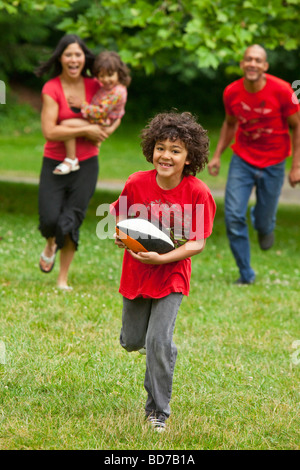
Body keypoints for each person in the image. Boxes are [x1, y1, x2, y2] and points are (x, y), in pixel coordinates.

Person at [110, 111, 216, 431]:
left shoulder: (198, 192)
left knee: (158, 341)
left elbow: (196, 244)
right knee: (131, 341)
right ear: (151, 149)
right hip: (138, 271)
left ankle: (158, 411)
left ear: (188, 157)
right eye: (160, 147)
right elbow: (119, 217)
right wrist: (120, 234)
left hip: (172, 273)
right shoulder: (136, 182)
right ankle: (153, 343)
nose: (165, 155)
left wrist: (163, 259)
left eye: (175, 150)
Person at [208, 44, 300, 285]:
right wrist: (217, 154)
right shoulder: (231, 92)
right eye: (248, 59)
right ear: (242, 64)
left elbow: (297, 125)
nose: (252, 63)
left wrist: (296, 165)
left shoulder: (282, 90)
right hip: (243, 160)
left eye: (258, 60)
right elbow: (229, 123)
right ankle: (246, 273)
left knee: (263, 220)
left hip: (274, 162)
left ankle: (263, 222)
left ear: (265, 66)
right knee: (232, 215)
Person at [35, 34, 119, 290]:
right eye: (68, 54)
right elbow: (50, 131)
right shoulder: (52, 88)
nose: (73, 59)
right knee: (50, 219)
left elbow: (114, 111)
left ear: (85, 59)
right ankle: (50, 242)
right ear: (60, 58)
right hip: (54, 162)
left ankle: (62, 278)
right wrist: (87, 129)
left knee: (71, 219)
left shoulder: (97, 85)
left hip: (87, 163)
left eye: (78, 54)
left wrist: (104, 131)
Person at [53, 51, 131, 175]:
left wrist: (81, 105)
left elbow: (100, 112)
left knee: (66, 124)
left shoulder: (117, 92)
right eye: (101, 76)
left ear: (119, 73)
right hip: (99, 120)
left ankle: (71, 159)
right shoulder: (108, 86)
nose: (105, 80)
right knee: (67, 124)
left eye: (110, 75)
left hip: (101, 122)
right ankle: (91, 144)